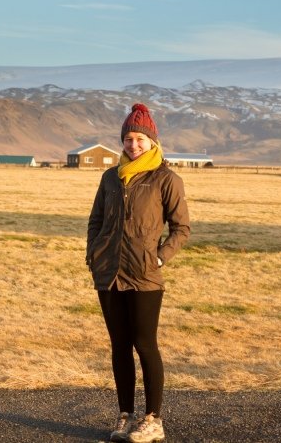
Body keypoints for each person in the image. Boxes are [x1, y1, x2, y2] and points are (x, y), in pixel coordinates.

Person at [87, 103, 190, 443]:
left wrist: (159, 258)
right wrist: (94, 255)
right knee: (119, 346)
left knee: (145, 344)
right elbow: (96, 221)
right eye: (128, 139)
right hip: (109, 273)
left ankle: (153, 420)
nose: (133, 145)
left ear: (152, 141)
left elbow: (181, 228)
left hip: (145, 275)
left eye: (140, 139)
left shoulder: (166, 179)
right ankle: (125, 416)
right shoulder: (110, 178)